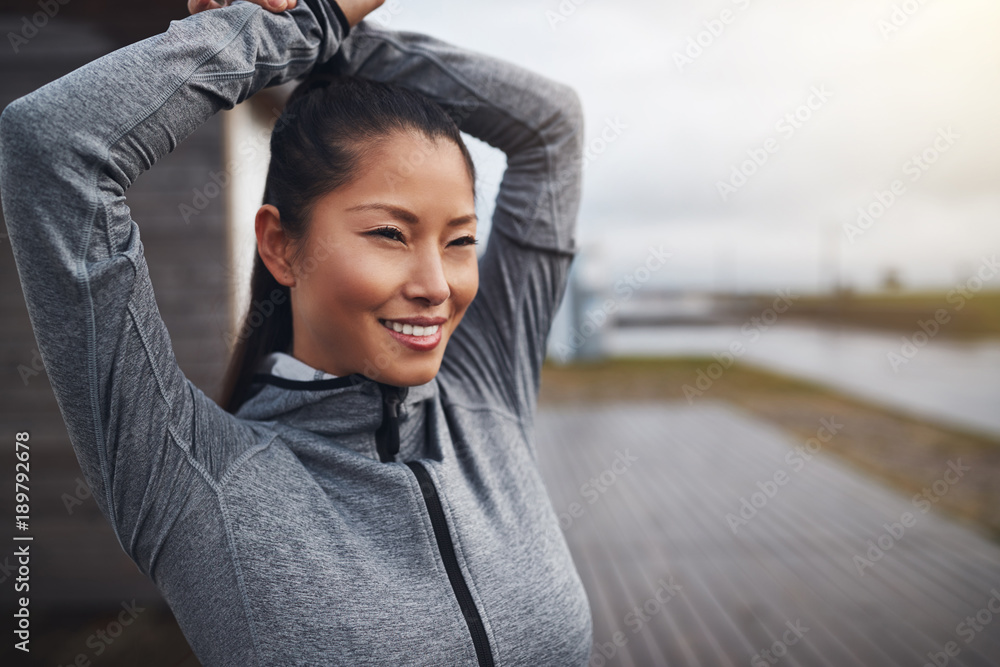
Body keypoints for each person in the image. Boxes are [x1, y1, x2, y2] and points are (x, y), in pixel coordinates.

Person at [0, 0, 591, 664]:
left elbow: (551, 127)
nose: (438, 285)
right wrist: (304, 20)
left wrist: (330, 32)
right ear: (280, 245)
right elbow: (52, 147)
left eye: (460, 240)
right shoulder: (197, 480)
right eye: (390, 234)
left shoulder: (485, 393)